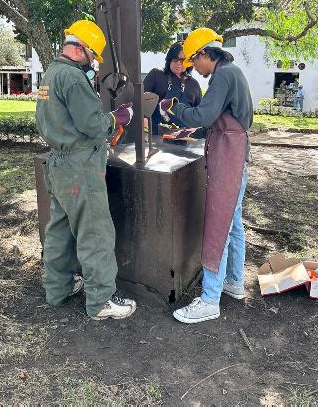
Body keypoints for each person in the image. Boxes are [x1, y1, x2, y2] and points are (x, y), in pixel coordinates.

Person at [36, 19, 137, 321]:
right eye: (93, 55)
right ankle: (100, 300)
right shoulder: (74, 78)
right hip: (80, 167)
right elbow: (92, 123)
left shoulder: (49, 75)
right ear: (80, 49)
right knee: (95, 232)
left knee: (60, 229)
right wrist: (118, 118)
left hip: (57, 163)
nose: (94, 62)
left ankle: (57, 289)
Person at [159, 28, 253, 324]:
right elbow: (215, 120)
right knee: (233, 222)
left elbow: (203, 116)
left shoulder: (223, 75)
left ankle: (210, 299)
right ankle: (234, 282)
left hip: (229, 155)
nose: (192, 69)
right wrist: (190, 129)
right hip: (235, 150)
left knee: (217, 225)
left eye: (192, 62)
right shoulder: (232, 72)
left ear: (204, 54)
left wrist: (175, 109)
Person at [143, 42, 202, 134]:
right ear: (169, 59)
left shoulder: (194, 84)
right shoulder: (156, 74)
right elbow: (140, 100)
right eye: (175, 59)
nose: (178, 63)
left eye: (182, 60)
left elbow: (199, 114)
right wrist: (143, 118)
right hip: (156, 135)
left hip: (184, 137)